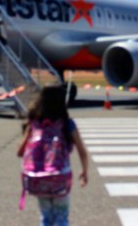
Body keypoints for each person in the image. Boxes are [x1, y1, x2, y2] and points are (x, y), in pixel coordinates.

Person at [18, 86, 89, 226]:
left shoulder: (34, 123)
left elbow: (20, 152)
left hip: (38, 179)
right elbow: (82, 152)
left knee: (46, 217)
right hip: (60, 178)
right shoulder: (67, 124)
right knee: (61, 217)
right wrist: (84, 171)